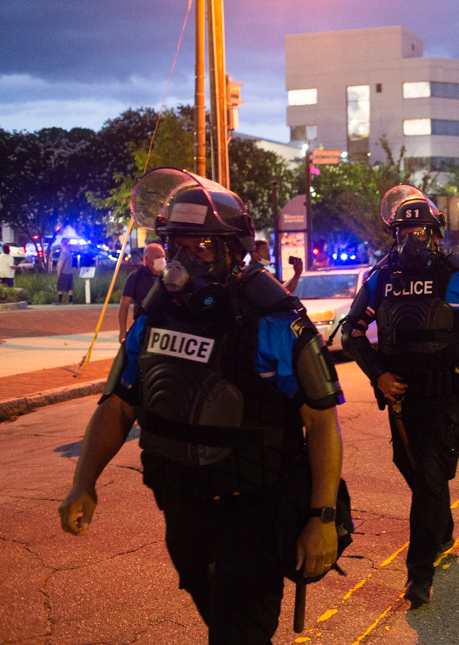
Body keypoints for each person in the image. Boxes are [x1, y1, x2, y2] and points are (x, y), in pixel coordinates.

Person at [59, 171, 346, 643]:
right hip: (179, 508)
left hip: (253, 514)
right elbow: (117, 406)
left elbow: (321, 424)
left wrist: (322, 518)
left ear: (235, 250)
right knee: (218, 614)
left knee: (237, 633)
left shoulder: (275, 321)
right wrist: (82, 483)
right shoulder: (155, 317)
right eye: (177, 245)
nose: (186, 259)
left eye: (204, 246)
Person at [343, 185, 459, 608]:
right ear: (395, 234)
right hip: (402, 400)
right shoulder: (381, 276)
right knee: (414, 469)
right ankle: (440, 526)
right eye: (405, 231)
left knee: (428, 482)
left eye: (422, 230)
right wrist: (379, 375)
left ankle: (419, 574)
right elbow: (351, 336)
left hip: (446, 399)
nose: (414, 239)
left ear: (437, 232)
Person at [118, 242, 165, 342]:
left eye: (163, 256)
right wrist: (123, 332)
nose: (162, 259)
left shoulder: (168, 277)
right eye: (157, 256)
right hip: (142, 327)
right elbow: (124, 305)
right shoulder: (136, 277)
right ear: (147, 259)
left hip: (164, 327)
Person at [56, 238, 74, 304]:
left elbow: (62, 262)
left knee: (60, 286)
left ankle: (60, 301)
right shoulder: (69, 253)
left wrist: (59, 270)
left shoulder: (64, 253)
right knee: (70, 286)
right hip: (70, 272)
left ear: (62, 244)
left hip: (64, 272)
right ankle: (71, 300)